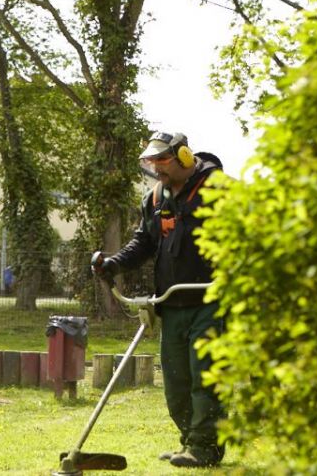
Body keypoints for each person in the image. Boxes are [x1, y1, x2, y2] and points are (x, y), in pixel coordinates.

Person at [93, 131, 225, 468]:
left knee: (205, 377)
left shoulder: (218, 190)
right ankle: (189, 441)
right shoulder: (156, 198)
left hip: (210, 301)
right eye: (152, 163)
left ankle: (205, 447)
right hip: (172, 303)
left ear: (183, 157)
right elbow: (143, 243)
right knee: (176, 382)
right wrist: (114, 263)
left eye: (162, 161)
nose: (157, 169)